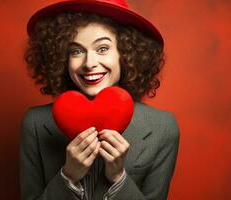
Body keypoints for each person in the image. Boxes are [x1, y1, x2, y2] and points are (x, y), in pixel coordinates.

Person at [19, 0, 180, 200]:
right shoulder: (35, 124)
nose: (89, 63)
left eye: (102, 48)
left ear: (126, 53)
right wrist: (68, 176)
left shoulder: (162, 128)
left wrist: (119, 178)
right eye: (76, 51)